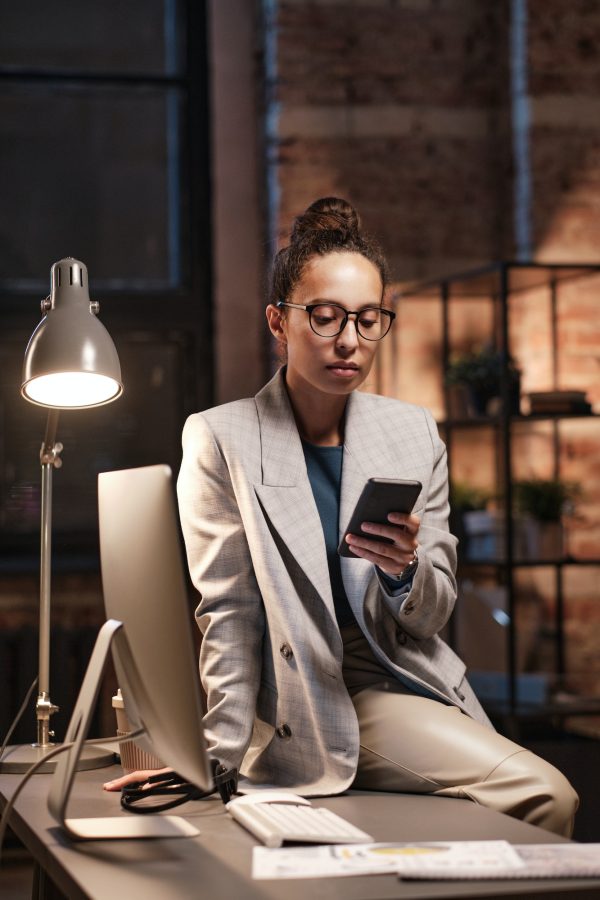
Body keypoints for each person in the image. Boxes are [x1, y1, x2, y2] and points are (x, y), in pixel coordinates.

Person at [105, 197, 578, 837]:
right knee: (548, 795)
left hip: (418, 681)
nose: (349, 341)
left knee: (529, 806)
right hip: (325, 698)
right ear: (279, 321)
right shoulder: (223, 438)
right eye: (324, 319)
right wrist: (215, 757)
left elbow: (435, 615)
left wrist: (405, 570)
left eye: (368, 319)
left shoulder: (411, 433)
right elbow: (230, 613)